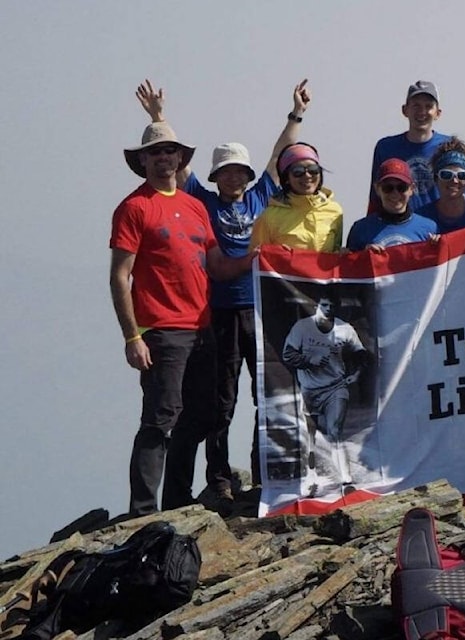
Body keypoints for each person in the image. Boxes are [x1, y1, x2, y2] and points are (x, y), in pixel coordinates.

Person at [136, 78, 312, 498]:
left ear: (247, 175)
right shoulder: (200, 200)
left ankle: (262, 470)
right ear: (216, 176)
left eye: (239, 170)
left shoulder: (259, 198)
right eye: (226, 170)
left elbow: (277, 156)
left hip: (261, 309)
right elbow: (175, 164)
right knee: (221, 400)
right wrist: (159, 118)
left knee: (266, 393)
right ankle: (219, 477)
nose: (233, 176)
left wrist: (297, 113)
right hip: (218, 311)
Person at [110, 122, 256, 516]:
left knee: (204, 414)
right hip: (161, 331)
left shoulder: (195, 208)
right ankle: (143, 513)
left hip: (203, 327)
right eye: (155, 152)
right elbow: (119, 275)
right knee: (160, 419)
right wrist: (131, 337)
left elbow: (218, 266)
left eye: (169, 150)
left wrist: (259, 260)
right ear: (143, 160)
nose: (163, 157)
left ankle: (176, 502)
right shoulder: (134, 208)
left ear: (180, 157)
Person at [281, 295, 367, 483]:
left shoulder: (345, 329)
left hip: (335, 388)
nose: (328, 309)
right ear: (317, 306)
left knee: (334, 430)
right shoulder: (302, 327)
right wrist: (309, 361)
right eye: (324, 305)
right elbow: (287, 355)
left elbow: (361, 353)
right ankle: (311, 475)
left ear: (337, 307)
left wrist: (357, 374)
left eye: (332, 305)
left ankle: (345, 476)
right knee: (311, 437)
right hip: (309, 390)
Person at [368, 80, 452, 214]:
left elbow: (460, 193)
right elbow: (375, 198)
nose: (422, 112)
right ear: (405, 110)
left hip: (439, 227)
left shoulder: (449, 147)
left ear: (438, 113)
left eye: (428, 106)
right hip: (399, 226)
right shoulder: (386, 147)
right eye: (416, 106)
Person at [250, 142, 343, 252]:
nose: (307, 176)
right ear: (287, 178)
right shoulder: (268, 218)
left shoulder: (335, 211)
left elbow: (335, 253)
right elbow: (255, 259)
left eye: (313, 170)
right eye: (298, 172)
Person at [347, 159, 439, 251]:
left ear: (412, 189)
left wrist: (438, 246)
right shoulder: (360, 229)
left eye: (401, 188)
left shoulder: (429, 228)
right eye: (388, 188)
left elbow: (440, 263)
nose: (395, 194)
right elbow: (348, 263)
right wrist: (363, 257)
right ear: (377, 189)